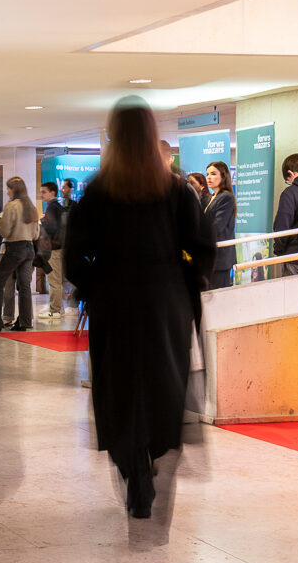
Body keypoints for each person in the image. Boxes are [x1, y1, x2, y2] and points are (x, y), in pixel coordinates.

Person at [64, 98, 213, 517]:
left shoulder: (98, 192)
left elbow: (74, 257)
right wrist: (185, 284)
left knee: (119, 382)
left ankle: (132, 465)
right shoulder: (175, 190)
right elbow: (203, 248)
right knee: (163, 380)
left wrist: (95, 284)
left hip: (115, 299)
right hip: (166, 301)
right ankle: (155, 449)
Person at [0, 176, 40, 332]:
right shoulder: (31, 207)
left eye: (9, 188)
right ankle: (24, 322)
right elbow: (36, 234)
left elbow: (4, 231)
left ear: (14, 189)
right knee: (24, 286)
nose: (7, 191)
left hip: (15, 248)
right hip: (29, 249)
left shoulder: (11, 206)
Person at [201, 161, 235, 290]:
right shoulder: (210, 198)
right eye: (207, 174)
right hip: (210, 256)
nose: (209, 177)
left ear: (223, 176)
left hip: (220, 259)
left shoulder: (226, 197)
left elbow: (217, 226)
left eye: (213, 174)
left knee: (218, 296)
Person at [38, 181, 68, 315]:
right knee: (58, 280)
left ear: (52, 193)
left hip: (54, 249)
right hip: (60, 248)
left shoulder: (51, 207)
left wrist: (41, 223)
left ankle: (55, 310)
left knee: (54, 281)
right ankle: (59, 308)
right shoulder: (58, 207)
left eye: (44, 192)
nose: (41, 195)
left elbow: (52, 228)